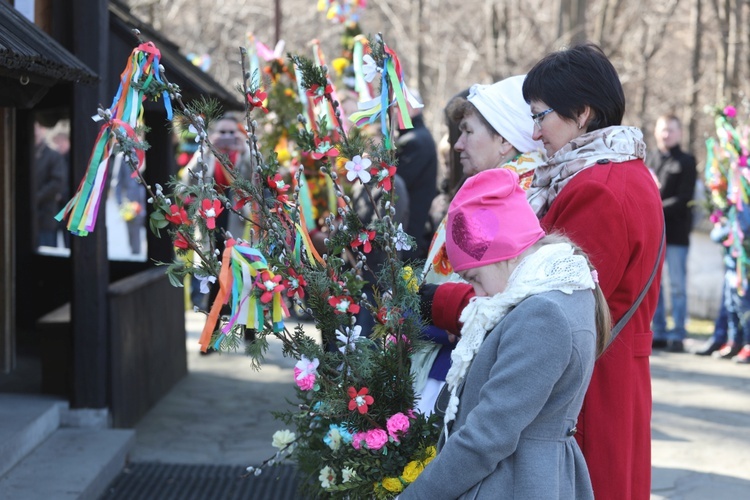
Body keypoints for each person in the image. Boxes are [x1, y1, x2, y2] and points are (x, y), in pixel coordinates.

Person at [423, 43, 664, 499]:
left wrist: (438, 301)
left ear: (583, 113)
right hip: (609, 381)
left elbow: (544, 300)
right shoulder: (616, 174)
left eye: (540, 116)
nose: (534, 133)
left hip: (590, 395)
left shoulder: (599, 189)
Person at [400, 167, 608, 499]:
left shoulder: (542, 314)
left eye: (475, 279)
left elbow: (485, 438)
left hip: (515, 482)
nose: (477, 295)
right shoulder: (555, 291)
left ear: (503, 255)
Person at [413, 76, 545, 415]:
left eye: (468, 132)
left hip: (465, 369)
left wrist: (430, 305)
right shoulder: (500, 188)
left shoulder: (517, 198)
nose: (458, 145)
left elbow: (499, 297)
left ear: (503, 140)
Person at [181, 114, 254, 310]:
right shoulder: (206, 155)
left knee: (234, 265)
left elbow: (257, 180)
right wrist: (205, 150)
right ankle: (208, 309)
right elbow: (187, 183)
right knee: (210, 266)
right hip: (209, 221)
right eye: (222, 132)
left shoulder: (244, 156)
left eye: (232, 132)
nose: (227, 137)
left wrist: (246, 150)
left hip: (236, 221)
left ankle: (232, 308)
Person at [648, 114, 697, 352]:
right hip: (654, 235)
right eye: (663, 129)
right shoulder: (648, 160)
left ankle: (678, 334)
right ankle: (658, 331)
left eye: (671, 130)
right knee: (655, 285)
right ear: (657, 132)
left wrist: (655, 207)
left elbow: (685, 198)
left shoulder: (687, 162)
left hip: (676, 234)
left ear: (679, 133)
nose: (667, 134)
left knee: (677, 286)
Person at [395, 97, 438, 263]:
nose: (391, 113)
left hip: (411, 231)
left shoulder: (414, 141)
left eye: (397, 107)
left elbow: (397, 183)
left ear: (412, 108)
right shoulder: (416, 137)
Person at [33, 121, 67, 248]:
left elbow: (57, 182)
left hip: (45, 214)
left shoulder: (53, 155)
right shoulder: (27, 153)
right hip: (28, 216)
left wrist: (36, 196)